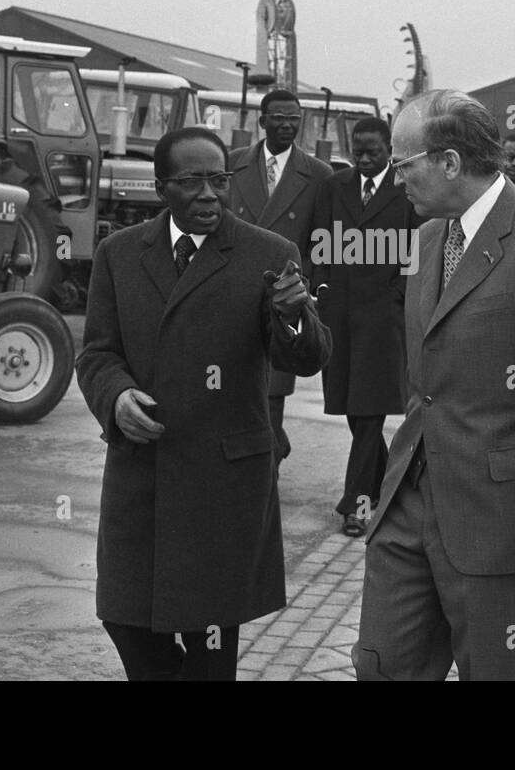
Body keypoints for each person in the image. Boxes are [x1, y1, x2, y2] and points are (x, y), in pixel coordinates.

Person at [353, 90, 515, 681]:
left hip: (499, 521)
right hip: (408, 503)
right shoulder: (425, 241)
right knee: (381, 666)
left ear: (448, 162)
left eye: (403, 164)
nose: (396, 180)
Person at [76, 127, 331, 681]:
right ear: (161, 187)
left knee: (210, 643)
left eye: (219, 180)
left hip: (224, 483)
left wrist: (294, 314)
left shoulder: (268, 253)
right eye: (192, 182)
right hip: (142, 473)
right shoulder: (119, 254)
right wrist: (115, 396)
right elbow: (97, 353)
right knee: (125, 618)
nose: (210, 195)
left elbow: (305, 359)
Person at [309, 117, 424, 537]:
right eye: (358, 150)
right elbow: (317, 240)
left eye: (373, 151)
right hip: (339, 315)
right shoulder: (333, 187)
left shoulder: (407, 190)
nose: (364, 157)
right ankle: (391, 484)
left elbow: (418, 249)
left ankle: (355, 504)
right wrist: (322, 284)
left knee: (370, 412)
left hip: (383, 319)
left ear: (389, 150)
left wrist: (398, 294)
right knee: (357, 413)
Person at [228, 89, 335, 464]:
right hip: (233, 289)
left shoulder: (319, 175)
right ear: (263, 121)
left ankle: (267, 468)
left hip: (284, 295)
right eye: (279, 118)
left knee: (272, 391)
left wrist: (314, 288)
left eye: (294, 119)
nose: (287, 125)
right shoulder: (234, 164)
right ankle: (266, 449)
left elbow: (322, 241)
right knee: (235, 382)